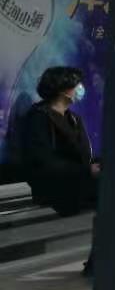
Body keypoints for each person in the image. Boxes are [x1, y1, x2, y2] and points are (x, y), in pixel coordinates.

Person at [20, 67, 99, 274]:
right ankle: (99, 261)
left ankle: (99, 260)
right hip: (56, 187)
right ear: (63, 89)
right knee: (114, 194)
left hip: (78, 182)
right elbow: (43, 162)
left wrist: (95, 167)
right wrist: (86, 171)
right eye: (76, 84)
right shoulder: (39, 118)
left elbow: (84, 157)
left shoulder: (74, 119)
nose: (81, 88)